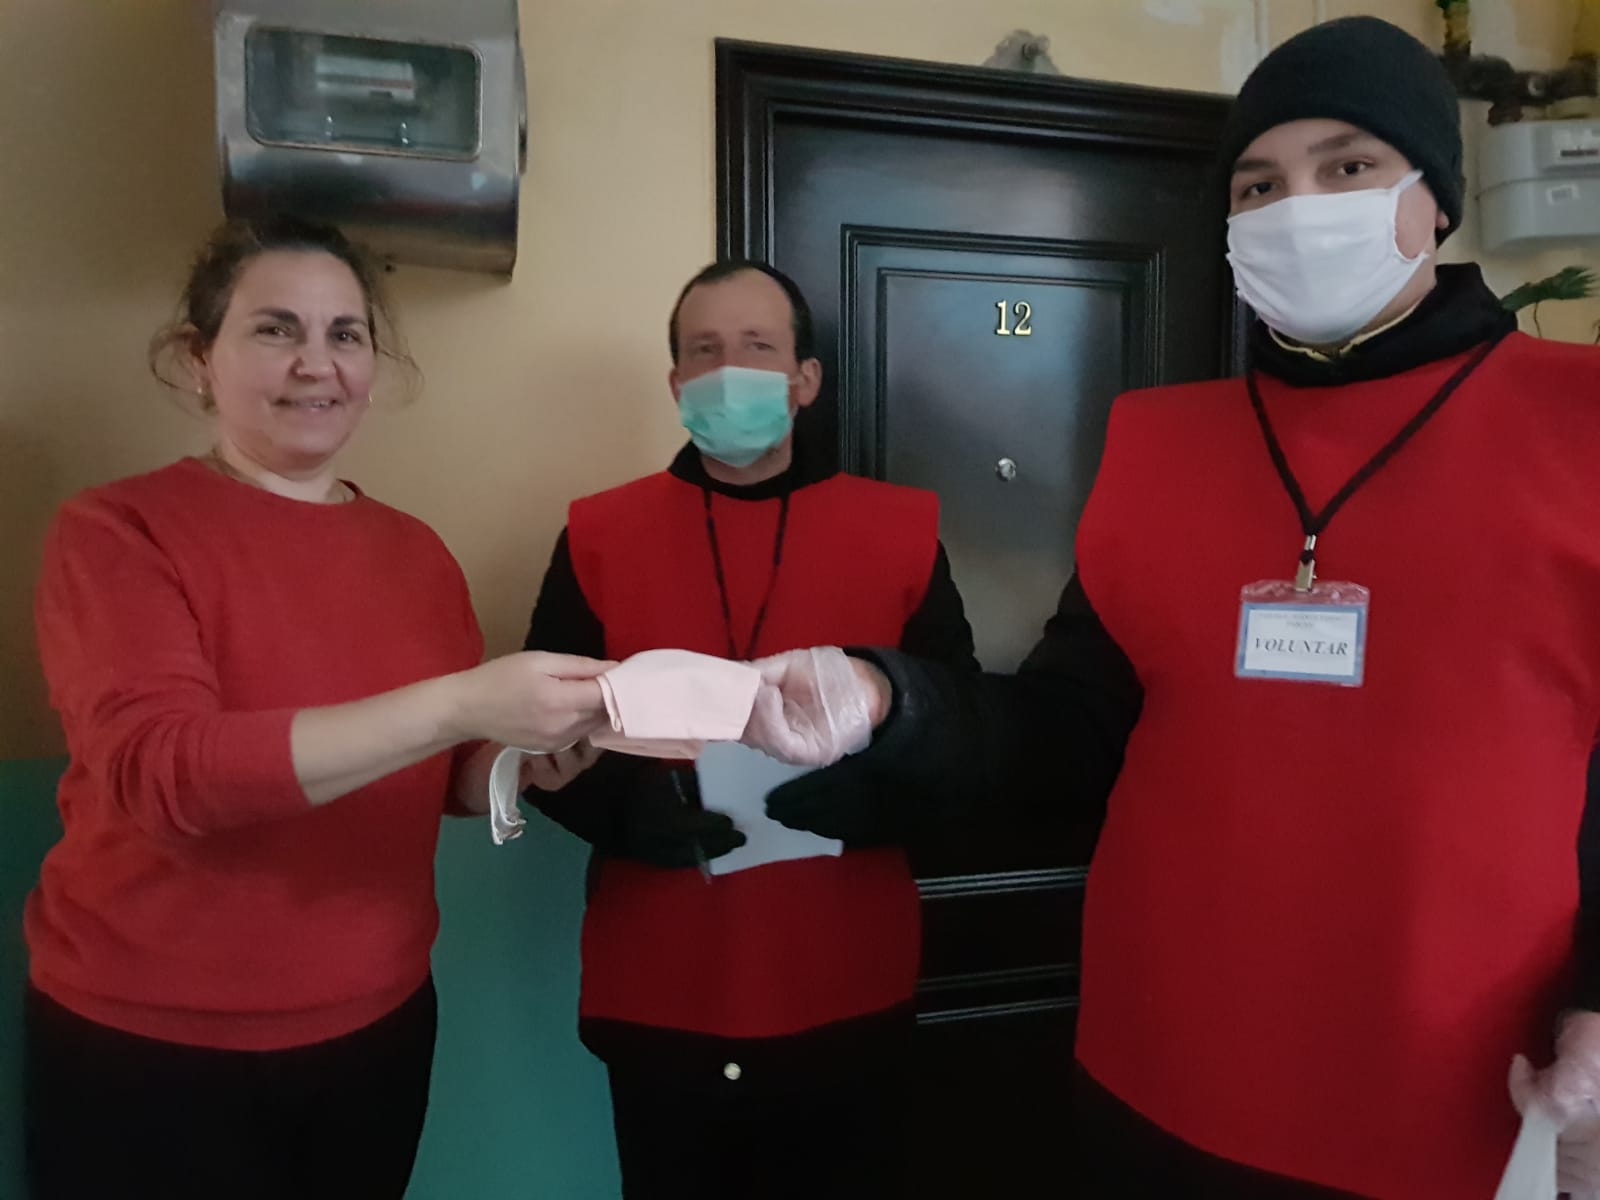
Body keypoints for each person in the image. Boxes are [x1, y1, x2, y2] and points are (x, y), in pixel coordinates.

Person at [743, 17, 1600, 1200]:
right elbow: (1068, 729)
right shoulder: (1158, 444)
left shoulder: (1577, 422)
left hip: (1460, 1100)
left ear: (1433, 199)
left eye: (1347, 166)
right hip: (1160, 1078)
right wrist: (890, 701)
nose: (1297, 208)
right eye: (1259, 184)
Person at [23, 215, 612, 1200]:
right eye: (275, 329)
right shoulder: (118, 531)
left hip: (376, 1025)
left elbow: (440, 776)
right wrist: (460, 702)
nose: (316, 363)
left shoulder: (416, 553)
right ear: (198, 358)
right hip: (151, 1046)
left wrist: (522, 758)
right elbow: (166, 776)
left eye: (345, 334)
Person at [518, 260, 978, 1199]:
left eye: (758, 348)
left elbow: (960, 726)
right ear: (676, 382)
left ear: (805, 380)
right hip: (660, 980)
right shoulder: (599, 534)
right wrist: (622, 813)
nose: (728, 371)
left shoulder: (901, 531)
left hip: (847, 976)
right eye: (704, 351)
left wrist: (879, 803)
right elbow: (538, 730)